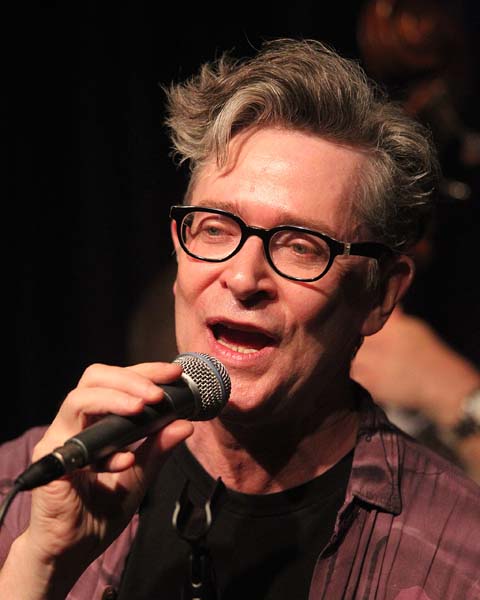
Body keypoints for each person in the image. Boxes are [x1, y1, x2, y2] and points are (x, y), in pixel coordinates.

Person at [1, 38, 479, 600]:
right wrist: (39, 565)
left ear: (381, 295)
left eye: (300, 245)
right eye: (215, 229)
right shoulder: (25, 485)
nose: (244, 277)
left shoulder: (459, 559)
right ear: (178, 247)